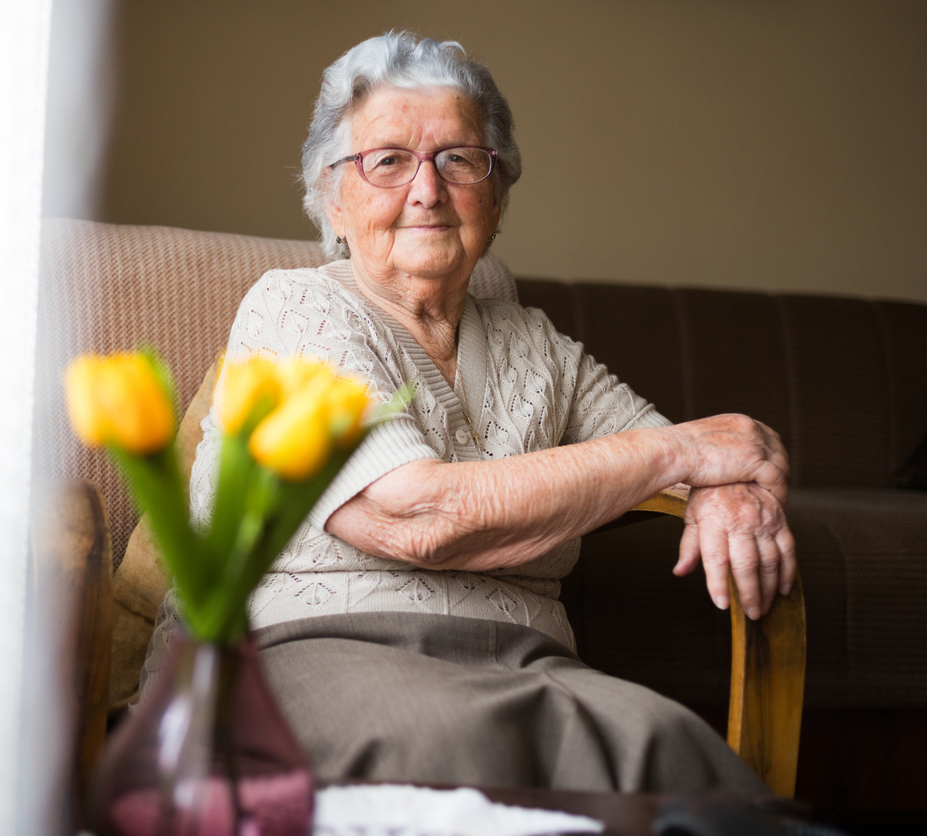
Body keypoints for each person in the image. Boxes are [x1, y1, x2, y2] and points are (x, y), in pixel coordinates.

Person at [145, 31, 795, 795]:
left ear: (498, 192)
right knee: (451, 746)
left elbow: (702, 461)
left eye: (458, 159)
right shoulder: (296, 309)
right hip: (303, 653)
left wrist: (737, 487)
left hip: (526, 666)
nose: (427, 190)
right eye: (386, 160)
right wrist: (695, 453)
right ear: (332, 196)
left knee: (671, 746)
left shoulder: (536, 343)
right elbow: (413, 515)